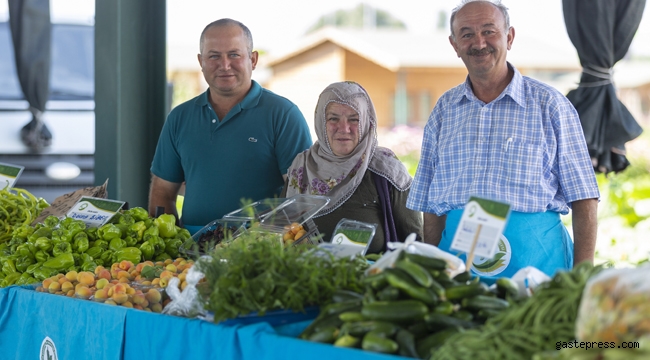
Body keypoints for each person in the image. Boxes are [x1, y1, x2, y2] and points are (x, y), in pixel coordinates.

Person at [406, 0, 600, 281]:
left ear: (509, 37)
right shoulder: (444, 111)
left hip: (540, 271)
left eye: (489, 31)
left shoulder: (550, 105)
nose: (479, 43)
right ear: (455, 44)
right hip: (458, 274)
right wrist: (428, 274)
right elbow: (431, 203)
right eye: (467, 34)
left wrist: (582, 276)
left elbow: (584, 198)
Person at [149, 18, 312, 234]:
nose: (225, 65)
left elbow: (299, 198)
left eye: (234, 55)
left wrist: (266, 246)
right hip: (191, 251)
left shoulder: (283, 115)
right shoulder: (179, 117)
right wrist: (170, 246)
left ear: (253, 60)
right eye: (214, 56)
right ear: (201, 61)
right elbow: (162, 193)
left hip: (256, 252)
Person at [284, 81, 423, 254]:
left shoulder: (386, 171)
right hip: (308, 278)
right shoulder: (301, 168)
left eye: (354, 119)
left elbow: (416, 242)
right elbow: (284, 229)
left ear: (366, 122)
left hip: (372, 277)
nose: (344, 128)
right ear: (321, 121)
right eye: (333, 118)